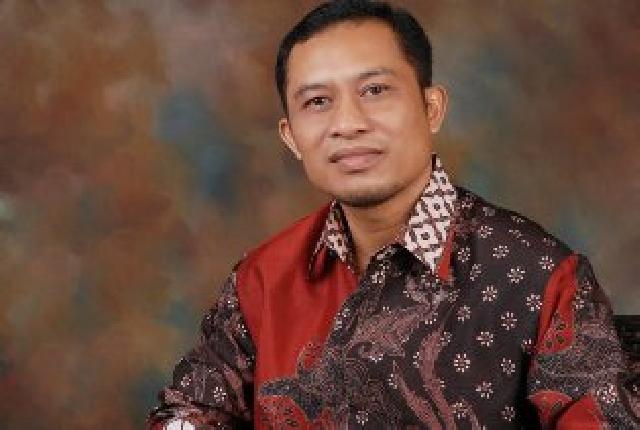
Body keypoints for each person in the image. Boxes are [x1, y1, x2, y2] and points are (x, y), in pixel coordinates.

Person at [148, 1, 640, 428]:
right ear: (291, 137)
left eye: (375, 91)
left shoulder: (542, 277)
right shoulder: (262, 279)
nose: (347, 123)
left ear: (432, 108)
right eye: (317, 101)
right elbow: (190, 410)